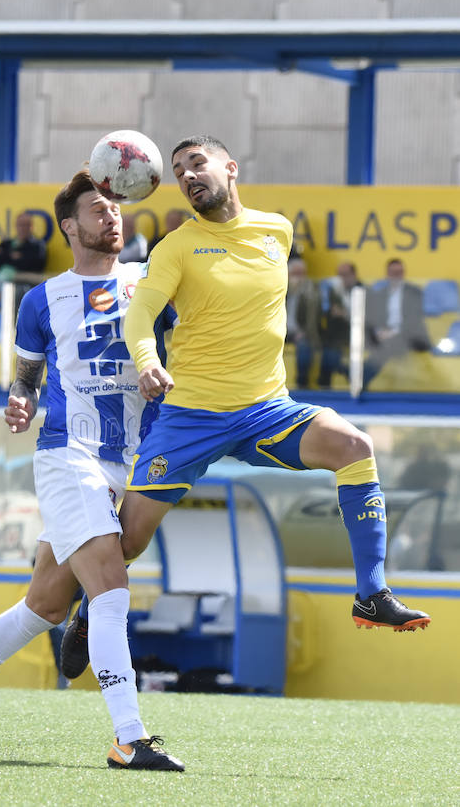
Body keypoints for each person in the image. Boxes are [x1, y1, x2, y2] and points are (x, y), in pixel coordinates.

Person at [60, 135, 430, 680]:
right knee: (129, 538)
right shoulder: (176, 246)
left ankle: (372, 593)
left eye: (196, 164)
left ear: (229, 169)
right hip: (189, 417)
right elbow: (141, 316)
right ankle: (89, 613)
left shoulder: (277, 231)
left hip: (265, 410)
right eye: (179, 169)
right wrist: (144, 360)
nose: (187, 175)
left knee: (356, 447)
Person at [0, 169, 183, 772]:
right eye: (96, 208)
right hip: (69, 456)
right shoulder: (42, 299)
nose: (111, 215)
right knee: (110, 585)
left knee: (45, 606)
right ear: (70, 226)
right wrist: (19, 401)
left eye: (114, 206)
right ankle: (129, 739)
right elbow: (27, 380)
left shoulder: (149, 280)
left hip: (133, 458)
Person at [363, 258, 431, 389]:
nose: (396, 275)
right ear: (387, 273)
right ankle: (361, 378)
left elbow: (414, 320)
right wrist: (379, 332)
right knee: (384, 342)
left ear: (403, 273)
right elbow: (375, 318)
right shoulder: (381, 294)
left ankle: (361, 377)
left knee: (388, 345)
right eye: (393, 272)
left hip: (412, 336)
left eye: (399, 272)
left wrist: (392, 333)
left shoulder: (414, 293)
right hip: (387, 337)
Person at [0, 211, 48, 311]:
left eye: (26, 225)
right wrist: (13, 257)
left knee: (17, 297)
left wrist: (4, 257)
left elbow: (36, 264)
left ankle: (13, 326)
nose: (22, 228)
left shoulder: (37, 245)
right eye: (20, 225)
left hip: (21, 286)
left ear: (31, 227)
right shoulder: (7, 243)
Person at [317, 261, 363, 388]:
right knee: (329, 348)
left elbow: (364, 317)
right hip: (337, 334)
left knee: (332, 350)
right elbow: (329, 313)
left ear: (354, 274)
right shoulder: (334, 291)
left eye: (345, 274)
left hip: (357, 332)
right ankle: (324, 385)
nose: (342, 278)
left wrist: (345, 314)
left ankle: (353, 379)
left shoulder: (363, 290)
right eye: (339, 275)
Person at [285, 256, 321, 388]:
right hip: (279, 330)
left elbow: (312, 317)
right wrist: (289, 290)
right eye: (295, 274)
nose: (298, 277)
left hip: (299, 332)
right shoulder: (281, 289)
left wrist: (304, 332)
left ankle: (302, 383)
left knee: (305, 346)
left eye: (301, 274)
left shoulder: (311, 289)